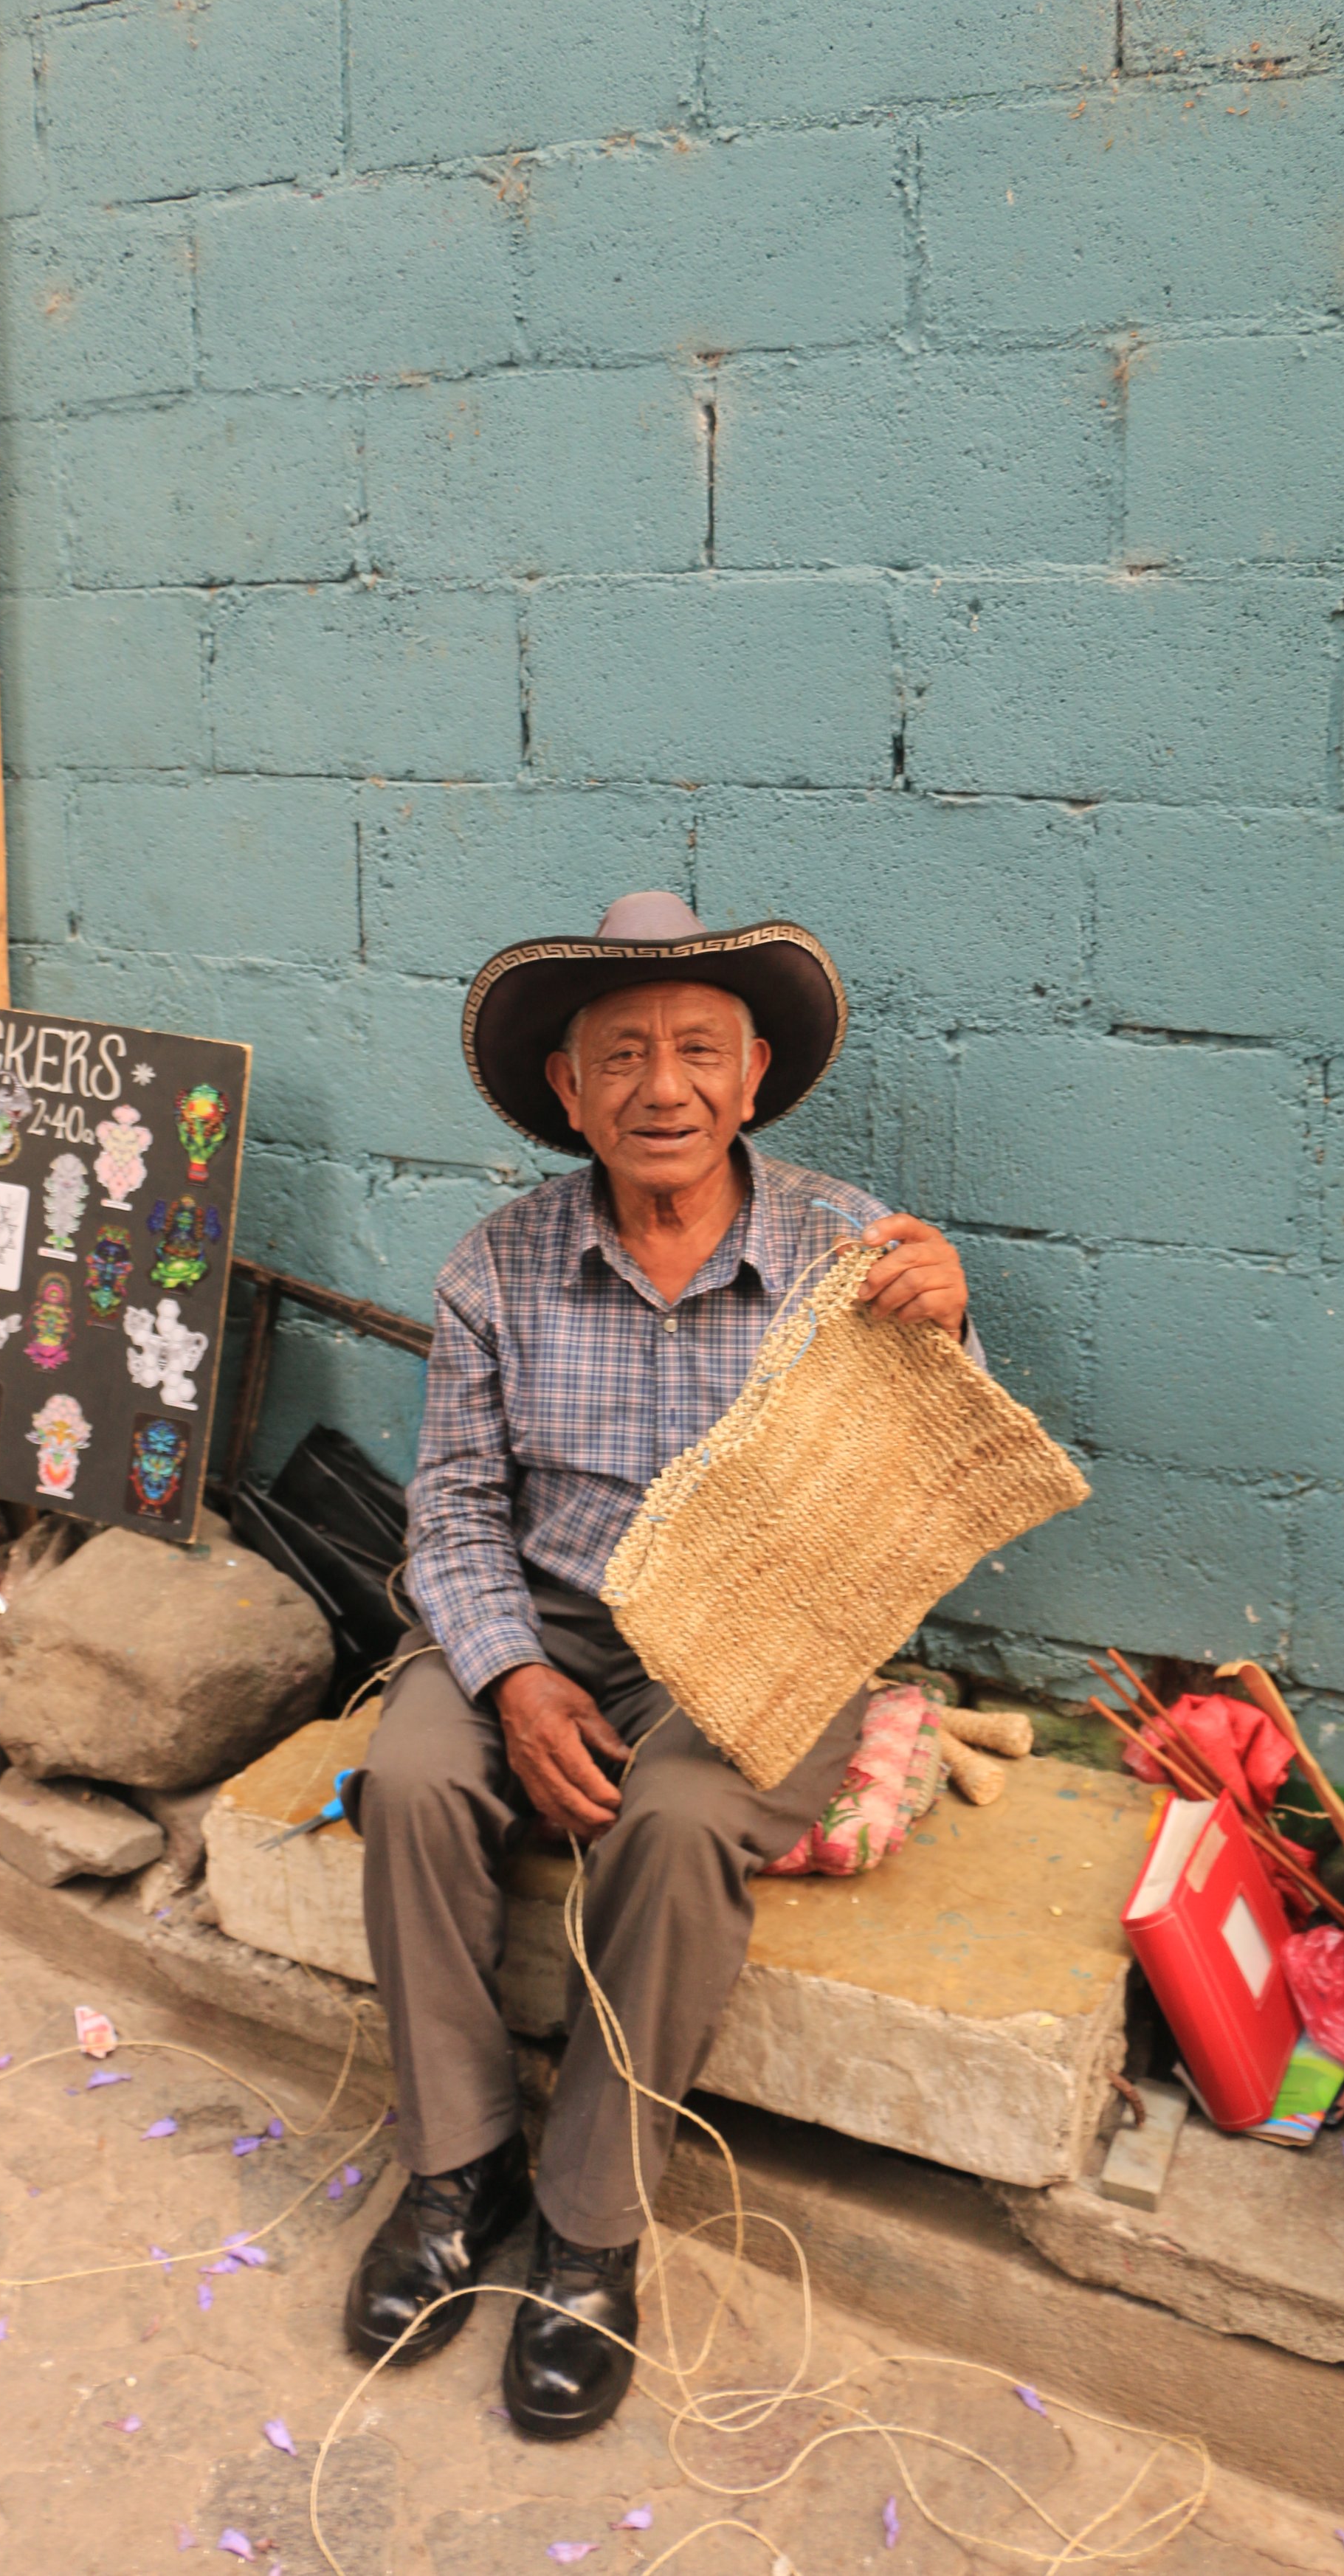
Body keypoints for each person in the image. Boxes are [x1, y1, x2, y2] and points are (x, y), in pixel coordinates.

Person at [347, 891, 976, 2438]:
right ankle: (454, 2159)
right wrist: (506, 1675)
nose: (662, 1088)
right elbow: (451, 1506)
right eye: (619, 1056)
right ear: (566, 1092)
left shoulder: (845, 1249)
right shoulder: (494, 1265)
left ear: (752, 1074)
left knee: (681, 1816)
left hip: (761, 1641)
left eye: (698, 1049)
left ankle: (588, 2224)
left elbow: (924, 1473)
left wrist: (952, 1327)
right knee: (416, 1772)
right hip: (549, 1622)